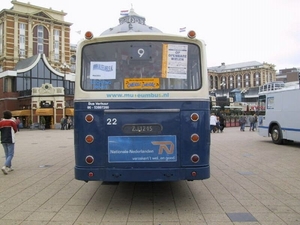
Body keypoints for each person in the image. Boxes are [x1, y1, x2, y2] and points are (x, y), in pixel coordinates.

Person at [0, 110, 18, 175]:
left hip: (3, 139)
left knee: (7, 154)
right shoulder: (12, 122)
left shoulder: (1, 122)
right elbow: (15, 130)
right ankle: (5, 166)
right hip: (10, 139)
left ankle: (9, 167)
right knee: (11, 154)